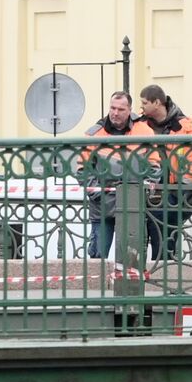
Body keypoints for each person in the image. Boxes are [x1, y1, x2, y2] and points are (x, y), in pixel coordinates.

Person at [130, 84, 192, 261]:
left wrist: (180, 191)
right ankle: (139, 281)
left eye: (145, 103)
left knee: (164, 240)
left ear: (157, 103)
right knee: (137, 241)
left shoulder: (183, 126)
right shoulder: (140, 124)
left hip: (171, 193)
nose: (141, 107)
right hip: (143, 191)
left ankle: (162, 277)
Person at [77, 91, 138, 260]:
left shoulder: (143, 130)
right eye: (112, 108)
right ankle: (97, 287)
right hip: (102, 206)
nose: (115, 113)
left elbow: (154, 166)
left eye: (120, 109)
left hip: (131, 204)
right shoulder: (94, 134)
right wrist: (98, 195)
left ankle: (127, 287)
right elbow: (83, 171)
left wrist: (143, 194)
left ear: (129, 110)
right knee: (98, 256)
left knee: (130, 259)